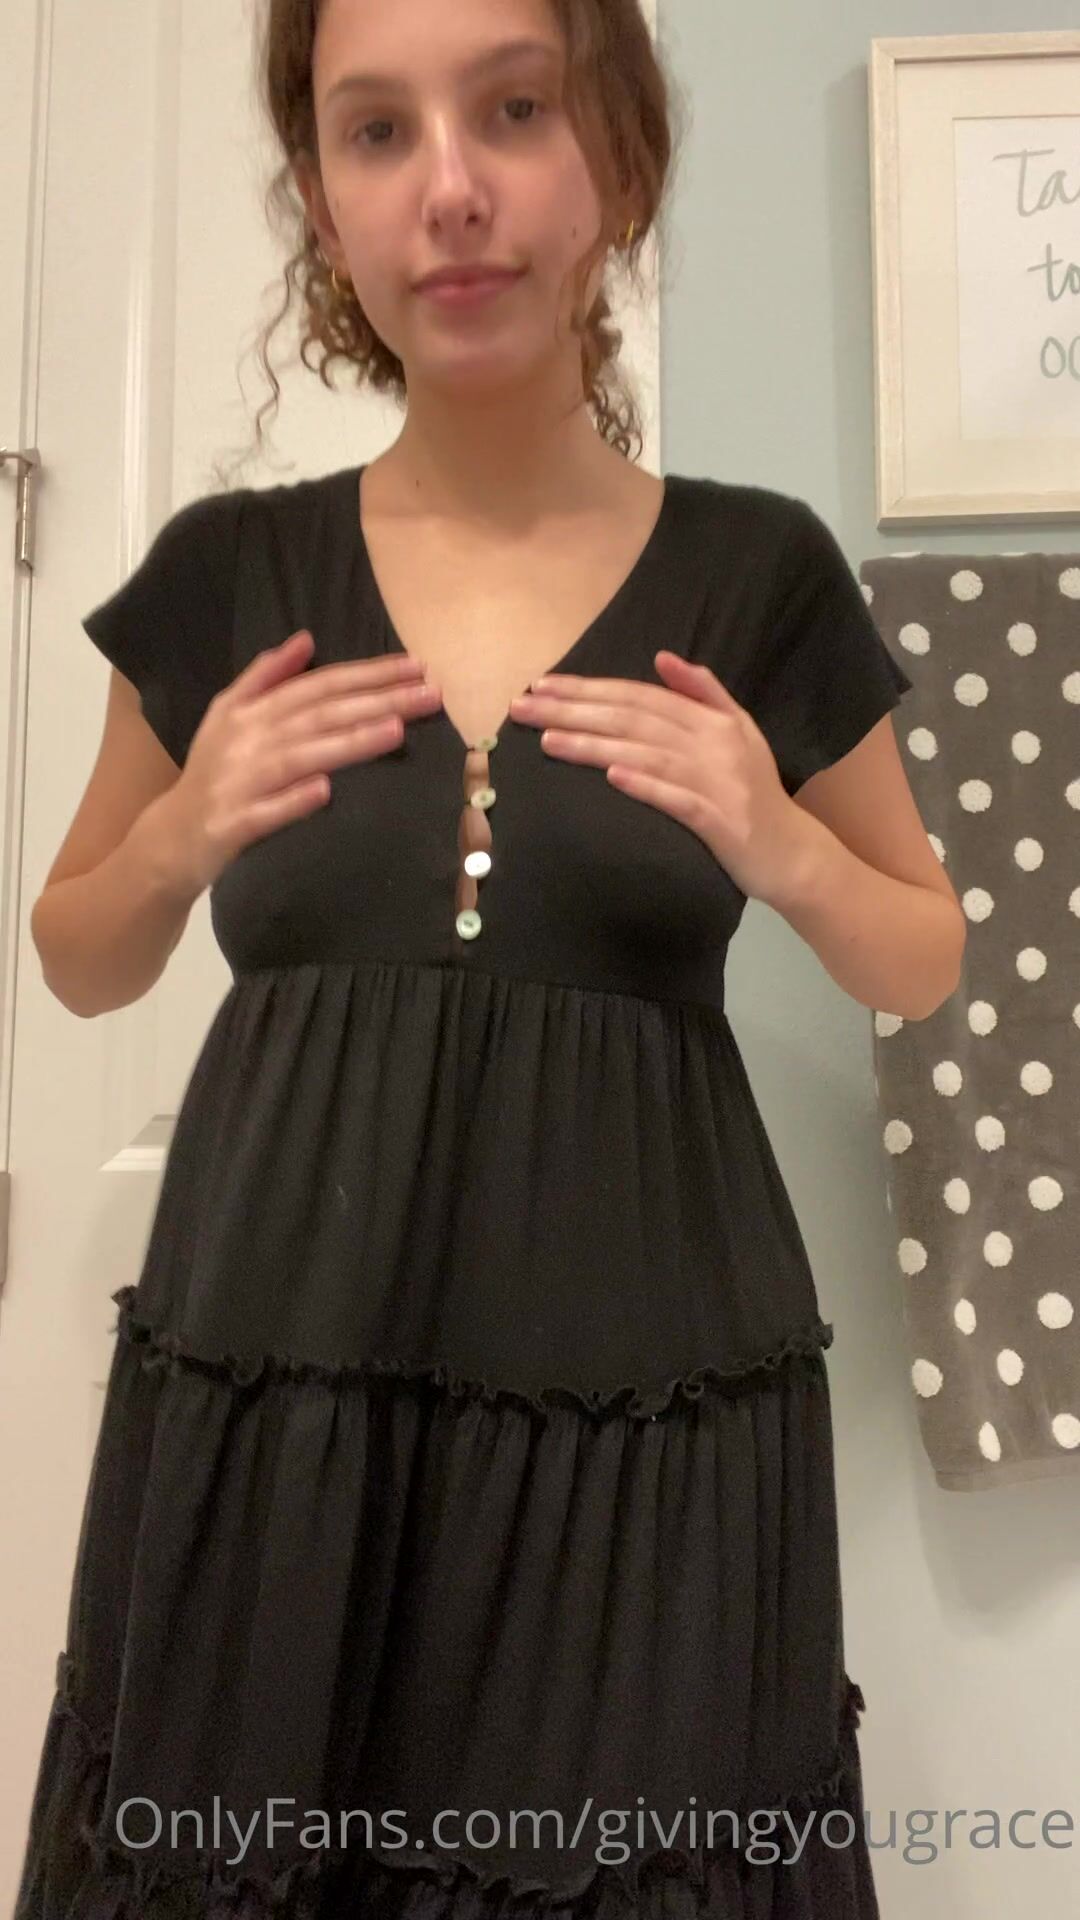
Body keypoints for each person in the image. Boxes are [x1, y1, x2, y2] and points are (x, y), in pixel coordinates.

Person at [16, 1, 964, 1915]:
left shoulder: (760, 573)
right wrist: (186, 831)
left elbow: (924, 957)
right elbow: (79, 956)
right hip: (281, 1395)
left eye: (515, 109)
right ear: (323, 200)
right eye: (377, 132)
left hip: (643, 1427)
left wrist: (779, 843)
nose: (450, 189)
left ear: (613, 154)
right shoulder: (229, 573)